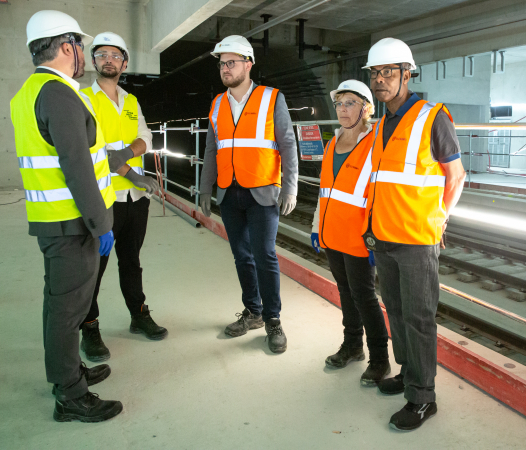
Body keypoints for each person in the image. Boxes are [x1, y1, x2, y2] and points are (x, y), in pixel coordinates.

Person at [10, 10, 123, 422]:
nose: (82, 55)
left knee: (59, 305)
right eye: (79, 46)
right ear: (65, 47)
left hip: (56, 221)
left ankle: (68, 373)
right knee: (68, 310)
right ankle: (70, 397)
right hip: (72, 224)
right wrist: (102, 223)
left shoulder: (31, 91)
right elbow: (77, 166)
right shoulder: (58, 93)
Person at [361, 37, 466, 431]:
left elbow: (455, 177)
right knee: (398, 311)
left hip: (417, 240)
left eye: (389, 72)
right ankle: (407, 374)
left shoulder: (432, 117)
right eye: (375, 73)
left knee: (419, 317)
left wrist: (438, 220)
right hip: (385, 237)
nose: (380, 79)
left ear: (407, 74)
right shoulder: (382, 122)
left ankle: (423, 397)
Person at [199, 35, 298, 354]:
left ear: (248, 64)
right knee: (241, 255)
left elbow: (287, 144)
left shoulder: (272, 98)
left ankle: (273, 320)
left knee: (265, 255)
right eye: (221, 64)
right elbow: (212, 148)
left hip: (263, 192)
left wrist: (290, 186)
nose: (225, 69)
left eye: (231, 62)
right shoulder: (216, 104)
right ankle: (253, 311)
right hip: (229, 192)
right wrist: (205, 186)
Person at [79, 32, 164, 363]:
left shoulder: (130, 101)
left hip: (134, 200)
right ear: (94, 62)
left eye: (115, 55)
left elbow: (146, 135)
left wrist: (128, 153)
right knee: (94, 267)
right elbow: (94, 150)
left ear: (124, 63)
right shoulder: (85, 99)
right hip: (102, 200)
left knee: (131, 261)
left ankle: (138, 314)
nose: (109, 60)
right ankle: (90, 326)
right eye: (102, 54)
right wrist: (132, 171)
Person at [310, 80, 390, 385]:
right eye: (340, 104)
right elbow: (325, 190)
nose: (343, 110)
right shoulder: (332, 142)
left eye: (351, 103)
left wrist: (375, 236)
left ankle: (380, 359)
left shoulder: (375, 144)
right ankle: (353, 345)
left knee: (365, 297)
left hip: (359, 237)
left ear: (366, 108)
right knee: (346, 293)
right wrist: (318, 226)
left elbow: (379, 193)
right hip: (333, 235)